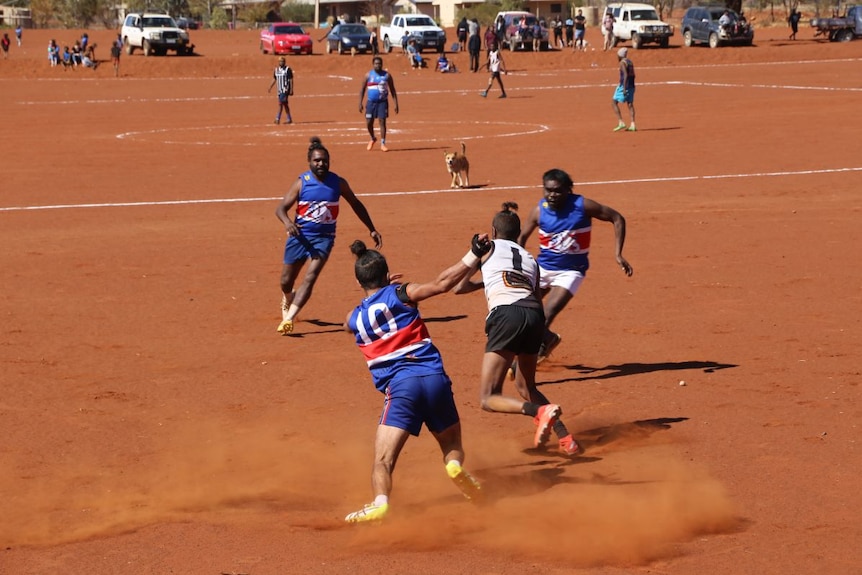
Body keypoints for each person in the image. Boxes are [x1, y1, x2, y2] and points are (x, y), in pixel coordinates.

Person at [342, 237, 489, 523]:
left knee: (383, 461)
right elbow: (443, 284)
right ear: (387, 275)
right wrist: (473, 253)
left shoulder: (353, 318)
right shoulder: (401, 293)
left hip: (402, 389)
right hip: (434, 380)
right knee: (451, 444)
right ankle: (455, 467)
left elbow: (349, 321)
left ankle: (380, 502)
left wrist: (377, 290)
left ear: (359, 283)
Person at [454, 203, 580, 456]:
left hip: (506, 315)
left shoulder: (486, 248)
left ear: (493, 230)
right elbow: (533, 294)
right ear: (518, 233)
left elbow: (458, 287)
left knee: (489, 397)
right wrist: (493, 278)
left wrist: (481, 268)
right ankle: (566, 438)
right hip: (534, 316)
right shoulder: (529, 258)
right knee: (527, 387)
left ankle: (539, 412)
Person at [517, 169, 633, 365]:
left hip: (571, 272)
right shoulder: (538, 211)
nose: (552, 195)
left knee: (547, 313)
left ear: (568, 190)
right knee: (523, 313)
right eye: (548, 190)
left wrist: (617, 254)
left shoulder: (582, 206)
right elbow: (521, 238)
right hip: (542, 269)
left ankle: (521, 362)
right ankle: (548, 338)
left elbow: (617, 218)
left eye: (558, 191)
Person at [275, 137, 382, 335]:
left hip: (324, 239)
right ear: (310, 162)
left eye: (324, 160)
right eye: (317, 160)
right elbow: (280, 209)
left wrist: (372, 228)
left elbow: (356, 204)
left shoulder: (338, 183)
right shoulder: (302, 183)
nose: (321, 164)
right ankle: (287, 297)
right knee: (285, 282)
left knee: (310, 277)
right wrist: (288, 223)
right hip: (300, 237)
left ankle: (288, 319)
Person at [359, 56, 399, 152]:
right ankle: (373, 138)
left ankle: (383, 143)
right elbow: (362, 89)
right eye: (376, 64)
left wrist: (396, 104)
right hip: (371, 102)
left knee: (382, 122)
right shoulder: (368, 75)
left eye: (379, 63)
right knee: (369, 122)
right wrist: (360, 103)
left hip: (382, 102)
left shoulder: (387, 76)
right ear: (373, 64)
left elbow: (393, 90)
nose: (378, 65)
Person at [612, 47, 636, 132]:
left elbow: (625, 75)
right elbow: (633, 75)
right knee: (630, 104)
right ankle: (633, 124)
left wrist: (624, 88)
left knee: (614, 102)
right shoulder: (630, 62)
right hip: (632, 85)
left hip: (624, 85)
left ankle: (621, 122)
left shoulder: (622, 63)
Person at [267, 56, 294, 125]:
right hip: (279, 90)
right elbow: (274, 78)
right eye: (280, 61)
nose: (281, 62)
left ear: (284, 62)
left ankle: (277, 118)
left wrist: (291, 89)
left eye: (282, 61)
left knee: (280, 104)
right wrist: (270, 86)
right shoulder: (276, 70)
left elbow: (290, 80)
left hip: (285, 89)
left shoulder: (287, 69)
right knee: (285, 105)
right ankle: (289, 118)